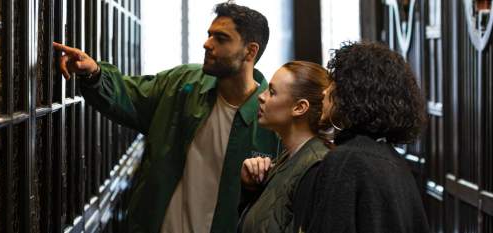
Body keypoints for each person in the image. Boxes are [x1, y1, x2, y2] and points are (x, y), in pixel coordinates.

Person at [53, 2, 279, 233]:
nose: (207, 44)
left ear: (250, 51)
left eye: (220, 39)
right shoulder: (183, 83)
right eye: (209, 35)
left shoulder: (274, 119)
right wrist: (93, 73)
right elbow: (129, 95)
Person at [297, 41, 430, 233]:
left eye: (334, 81)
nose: (325, 91)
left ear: (352, 92)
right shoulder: (393, 160)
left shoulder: (346, 159)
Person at [237, 61, 331, 233]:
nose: (261, 96)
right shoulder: (288, 159)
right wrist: (250, 189)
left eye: (272, 92)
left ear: (299, 107)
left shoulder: (315, 167)